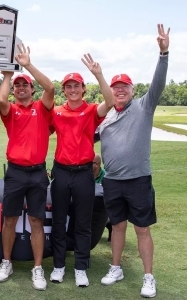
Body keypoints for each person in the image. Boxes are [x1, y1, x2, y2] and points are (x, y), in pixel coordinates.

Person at [99, 24, 170, 298]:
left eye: (124, 87)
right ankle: (115, 267)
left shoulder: (144, 106)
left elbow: (159, 83)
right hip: (113, 181)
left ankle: (148, 276)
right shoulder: (106, 118)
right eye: (115, 87)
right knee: (117, 226)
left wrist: (163, 54)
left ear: (132, 89)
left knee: (141, 228)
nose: (119, 91)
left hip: (138, 180)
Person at [49, 54, 114, 287]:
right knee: (58, 220)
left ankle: (80, 267)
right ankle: (58, 266)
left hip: (84, 172)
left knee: (83, 222)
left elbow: (111, 100)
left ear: (83, 89)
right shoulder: (56, 112)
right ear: (64, 90)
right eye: (69, 86)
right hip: (61, 171)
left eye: (77, 86)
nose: (73, 90)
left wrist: (99, 74)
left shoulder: (91, 111)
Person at [0, 44, 55, 291]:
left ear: (31, 88)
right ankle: (6, 262)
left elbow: (50, 87)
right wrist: (8, 74)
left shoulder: (42, 108)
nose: (20, 89)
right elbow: (0, 99)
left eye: (24, 85)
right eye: (17, 86)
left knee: (36, 220)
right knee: (9, 219)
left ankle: (37, 268)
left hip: (38, 172)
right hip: (16, 172)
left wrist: (27, 64)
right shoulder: (11, 111)